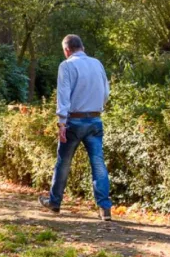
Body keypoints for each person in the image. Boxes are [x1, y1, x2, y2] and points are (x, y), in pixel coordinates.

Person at [39, 34, 114, 221]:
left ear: (66, 50)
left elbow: (63, 95)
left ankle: (55, 202)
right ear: (83, 47)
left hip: (74, 120)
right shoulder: (97, 63)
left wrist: (61, 122)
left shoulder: (67, 65)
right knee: (98, 163)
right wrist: (98, 107)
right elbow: (106, 92)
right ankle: (104, 207)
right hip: (95, 119)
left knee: (63, 162)